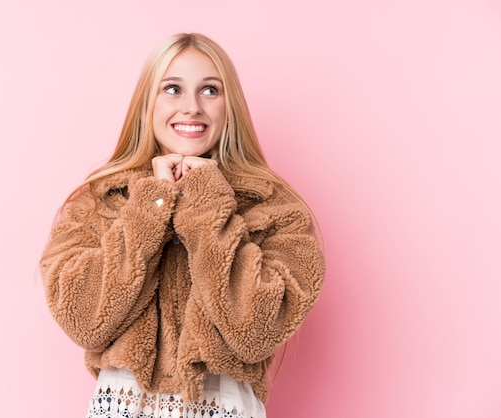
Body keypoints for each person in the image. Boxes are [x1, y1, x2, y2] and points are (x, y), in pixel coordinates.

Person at [40, 32, 325, 418]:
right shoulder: (99, 200)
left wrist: (205, 204)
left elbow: (254, 332)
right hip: (123, 406)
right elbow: (87, 321)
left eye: (210, 90)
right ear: (147, 104)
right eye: (172, 88)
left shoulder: (276, 208)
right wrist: (152, 203)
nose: (191, 107)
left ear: (231, 106)